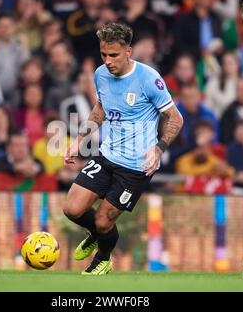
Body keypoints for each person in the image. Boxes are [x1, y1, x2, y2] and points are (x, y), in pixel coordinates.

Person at [63, 22, 184, 275]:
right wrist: (79, 139)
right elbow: (100, 109)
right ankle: (96, 234)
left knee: (103, 221)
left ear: (128, 52)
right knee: (72, 209)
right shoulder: (100, 74)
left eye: (114, 55)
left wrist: (159, 149)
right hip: (107, 155)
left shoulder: (149, 79)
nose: (108, 61)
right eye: (103, 55)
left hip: (136, 166)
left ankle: (103, 258)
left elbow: (176, 118)